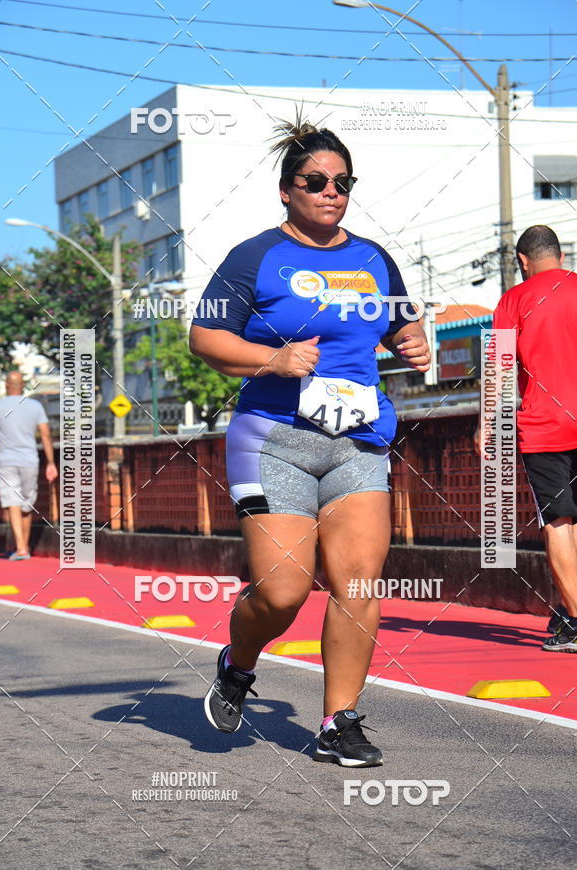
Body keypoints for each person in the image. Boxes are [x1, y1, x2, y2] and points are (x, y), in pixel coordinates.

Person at [190, 117, 430, 766]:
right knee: (283, 591)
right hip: (274, 441)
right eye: (316, 181)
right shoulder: (255, 256)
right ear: (286, 190)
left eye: (342, 182)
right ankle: (238, 664)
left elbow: (405, 332)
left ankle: (338, 721)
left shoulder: (374, 259)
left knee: (357, 584)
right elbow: (205, 339)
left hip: (357, 440)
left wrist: (412, 346)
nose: (331, 191)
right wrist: (272, 360)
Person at [475, 225, 577, 652]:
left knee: (557, 519)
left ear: (522, 260)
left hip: (546, 424)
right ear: (559, 254)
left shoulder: (514, 300)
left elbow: (502, 372)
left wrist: (487, 424)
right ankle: (566, 611)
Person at [0, 370, 58, 560]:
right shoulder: (35, 406)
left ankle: (23, 547)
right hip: (30, 460)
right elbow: (45, 433)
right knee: (22, 503)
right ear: (23, 386)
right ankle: (21, 548)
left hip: (6, 461)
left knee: (18, 504)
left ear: (6, 385)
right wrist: (51, 462)